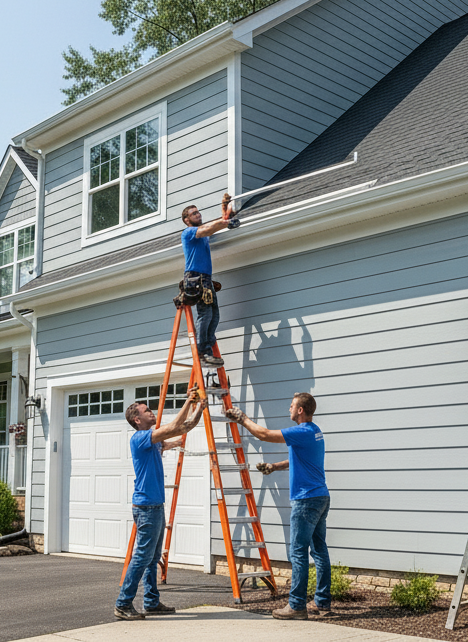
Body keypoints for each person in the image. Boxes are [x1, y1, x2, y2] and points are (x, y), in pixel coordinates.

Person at [226, 393, 329, 620]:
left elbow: (263, 434)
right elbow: (299, 460)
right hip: (321, 497)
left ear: (301, 410)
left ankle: (296, 606)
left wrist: (242, 418)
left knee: (299, 552)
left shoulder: (300, 432)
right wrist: (274, 466)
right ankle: (322, 601)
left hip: (305, 500)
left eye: (292, 406)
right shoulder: (314, 431)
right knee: (319, 550)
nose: (289, 409)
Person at [115, 390, 206, 620]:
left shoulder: (154, 441)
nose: (152, 412)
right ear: (137, 419)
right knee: (142, 557)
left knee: (153, 558)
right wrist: (188, 401)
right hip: (146, 508)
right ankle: (123, 603)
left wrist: (199, 407)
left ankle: (151, 602)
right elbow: (175, 425)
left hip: (155, 506)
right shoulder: (140, 438)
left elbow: (183, 429)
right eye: (147, 410)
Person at [180, 193, 238, 369]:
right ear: (186, 220)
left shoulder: (202, 232)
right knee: (204, 314)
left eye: (198, 212)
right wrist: (226, 222)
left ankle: (208, 341)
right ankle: (202, 351)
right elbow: (209, 229)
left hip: (205, 278)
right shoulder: (189, 232)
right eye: (193, 213)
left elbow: (214, 225)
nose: (198, 214)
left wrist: (225, 209)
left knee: (214, 314)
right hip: (194, 277)